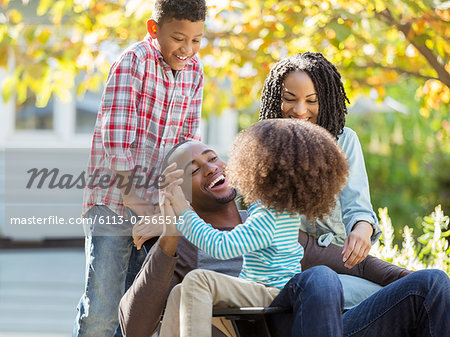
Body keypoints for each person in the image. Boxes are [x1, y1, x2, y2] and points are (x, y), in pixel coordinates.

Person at [119, 140, 414, 337]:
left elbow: (354, 263)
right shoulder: (181, 245)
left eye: (213, 159)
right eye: (194, 170)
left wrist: (409, 278)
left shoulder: (266, 222)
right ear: (180, 193)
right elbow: (135, 326)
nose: (210, 168)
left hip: (280, 322)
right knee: (184, 291)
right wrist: (170, 233)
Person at [73, 1, 207, 336]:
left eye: (196, 40)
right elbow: (117, 141)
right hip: (114, 205)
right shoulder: (134, 62)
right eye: (179, 38)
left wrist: (167, 213)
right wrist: (143, 207)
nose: (187, 49)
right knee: (101, 313)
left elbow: (187, 147)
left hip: (153, 213)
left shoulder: (195, 73)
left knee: (136, 314)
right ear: (153, 29)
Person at [158, 119, 349, 337]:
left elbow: (221, 246)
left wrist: (184, 213)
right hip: (260, 289)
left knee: (198, 279)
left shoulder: (271, 216)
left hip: (272, 293)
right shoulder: (272, 209)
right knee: (179, 293)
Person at [259, 52, 380, 269]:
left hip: (337, 257)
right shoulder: (262, 144)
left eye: (311, 101)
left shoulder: (344, 141)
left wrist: (363, 228)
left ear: (325, 100)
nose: (300, 110)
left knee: (410, 282)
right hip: (283, 264)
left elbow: (358, 207)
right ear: (276, 98)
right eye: (289, 99)